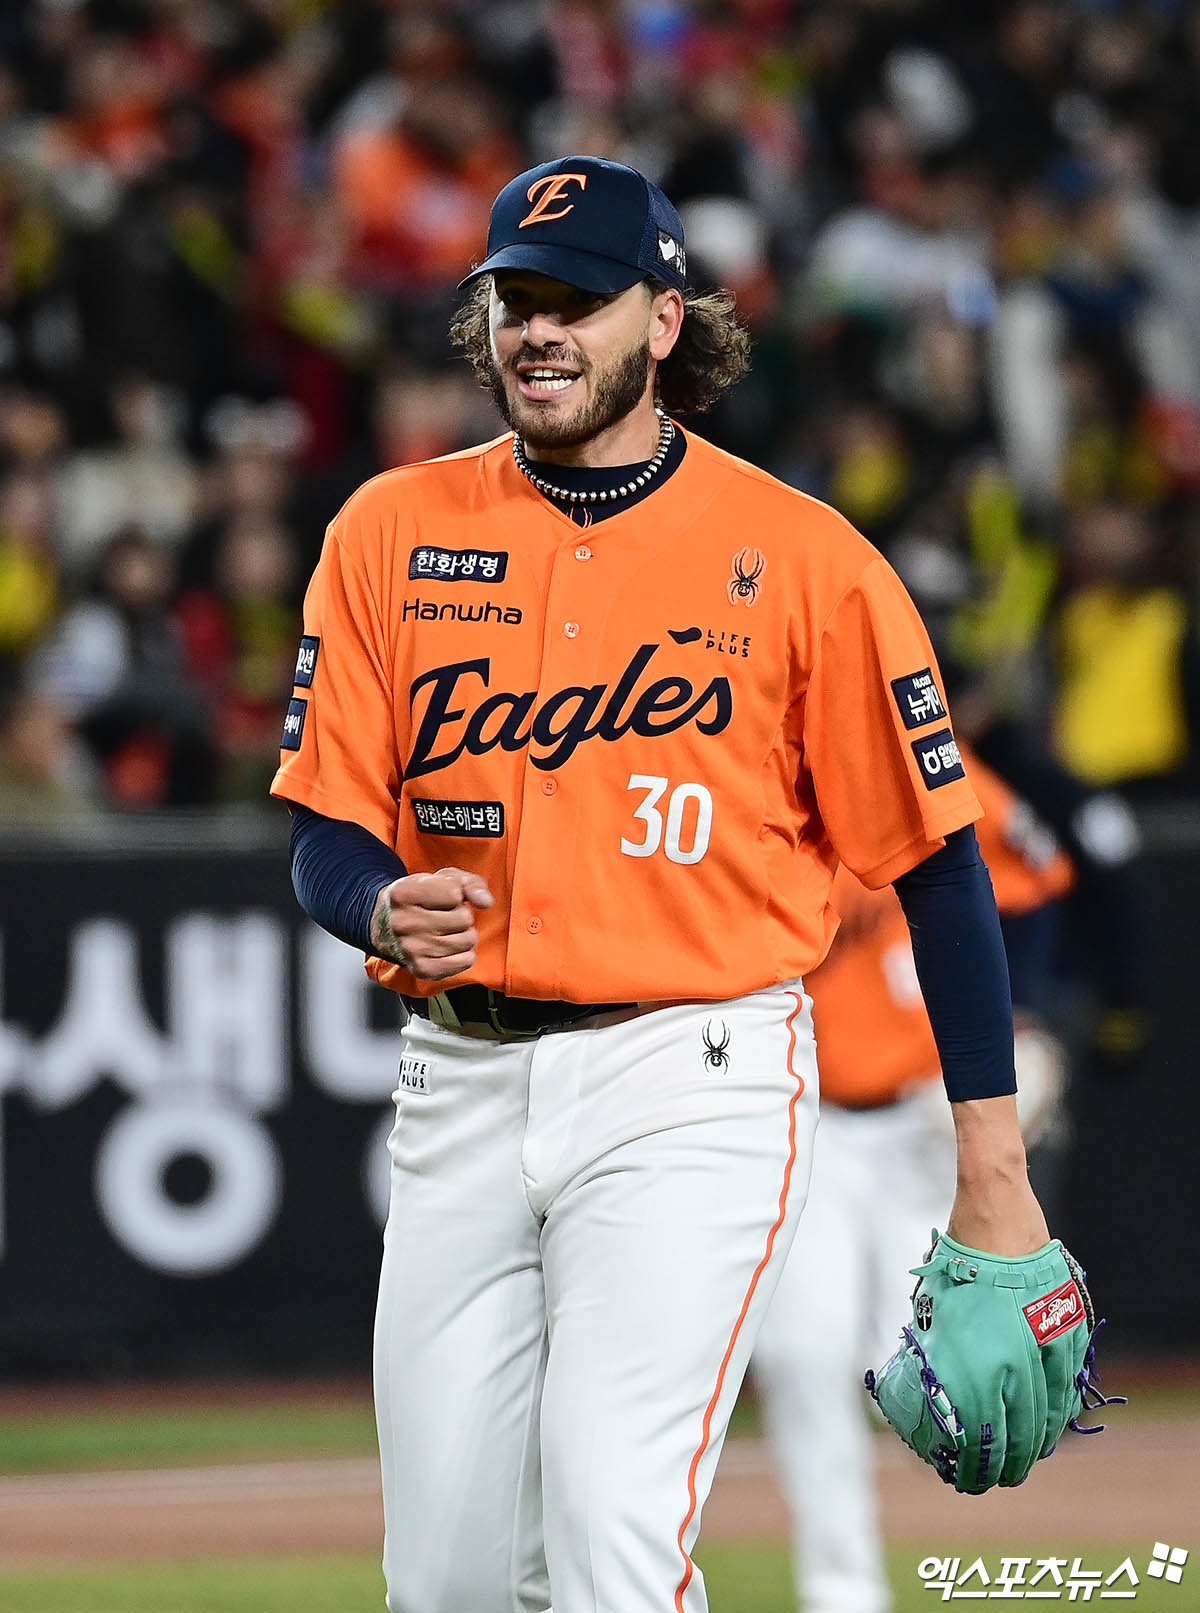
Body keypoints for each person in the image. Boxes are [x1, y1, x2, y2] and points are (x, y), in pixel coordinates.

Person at [272, 155, 1062, 1613]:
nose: (537, 328)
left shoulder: (806, 558)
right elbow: (326, 829)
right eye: (515, 297)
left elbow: (941, 866)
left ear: (666, 318)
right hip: (457, 1079)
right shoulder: (387, 529)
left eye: (577, 299)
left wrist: (995, 1175)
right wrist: (373, 901)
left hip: (694, 1072)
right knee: (444, 1583)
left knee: (610, 1531)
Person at [753, 745, 1073, 1613]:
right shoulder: (747, 763)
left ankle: (994, 1571)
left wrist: (1025, 1010)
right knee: (802, 1355)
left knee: (923, 1367)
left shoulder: (918, 759)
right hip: (798, 1122)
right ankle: (841, 1591)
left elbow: (1039, 868)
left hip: (922, 1124)